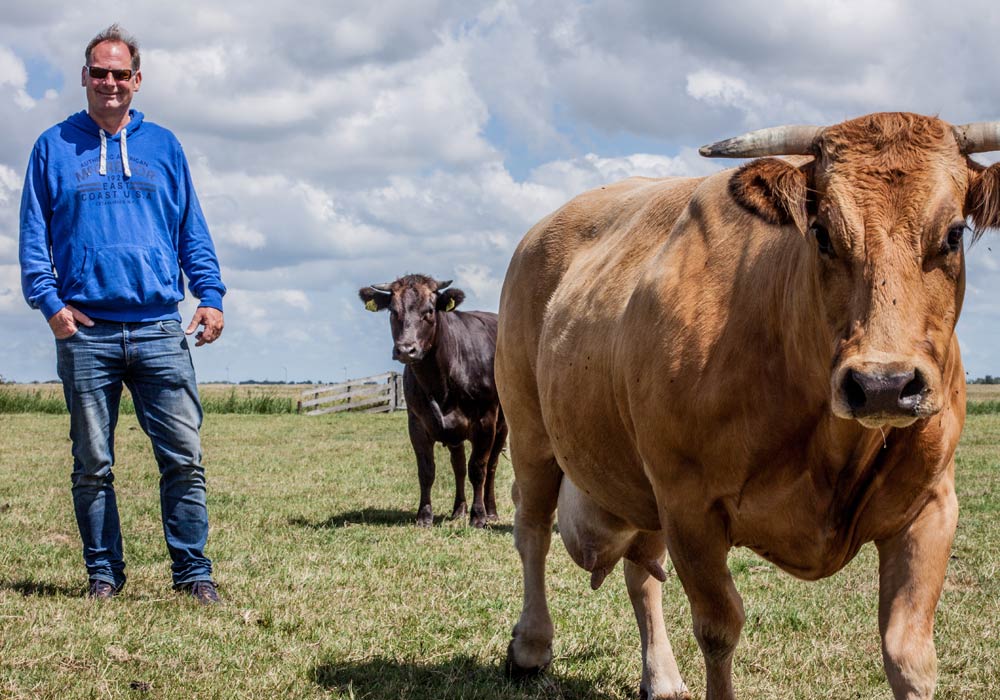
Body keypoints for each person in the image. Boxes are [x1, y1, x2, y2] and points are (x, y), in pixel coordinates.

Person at [18, 24, 226, 604]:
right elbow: (34, 238)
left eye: (120, 74)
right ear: (85, 77)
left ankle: (193, 574)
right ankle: (103, 575)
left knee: (184, 458)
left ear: (137, 80)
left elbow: (192, 231)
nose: (110, 83)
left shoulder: (164, 146)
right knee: (93, 464)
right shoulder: (52, 147)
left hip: (161, 326)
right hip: (86, 332)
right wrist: (50, 304)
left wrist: (209, 296)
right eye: (99, 73)